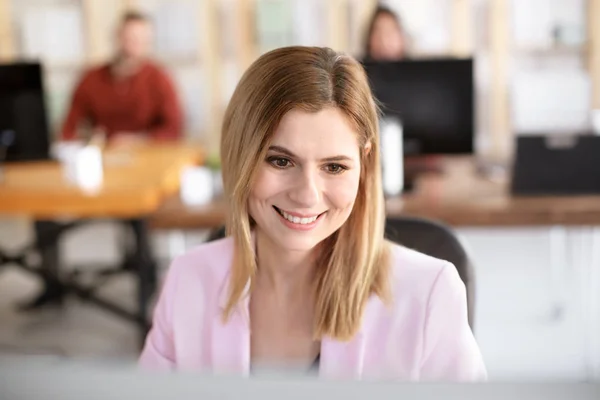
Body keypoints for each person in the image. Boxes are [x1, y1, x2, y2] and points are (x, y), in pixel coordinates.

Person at [139, 46, 486, 381]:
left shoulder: (428, 295)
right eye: (280, 161)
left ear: (364, 166)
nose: (307, 195)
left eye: (334, 167)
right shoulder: (187, 281)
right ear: (238, 156)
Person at [60, 11, 183, 144]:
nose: (132, 47)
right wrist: (88, 140)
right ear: (116, 37)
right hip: (103, 154)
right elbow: (69, 130)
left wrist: (138, 141)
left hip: (149, 154)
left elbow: (173, 129)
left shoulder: (160, 79)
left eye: (140, 40)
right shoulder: (90, 79)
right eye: (128, 38)